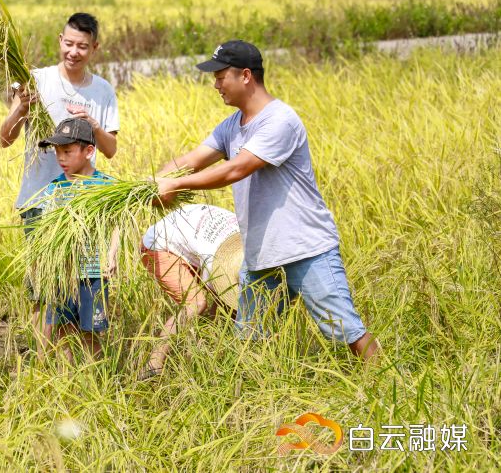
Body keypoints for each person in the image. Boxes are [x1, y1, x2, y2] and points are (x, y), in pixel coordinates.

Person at [155, 40, 379, 361]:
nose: (216, 84)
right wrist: (150, 185)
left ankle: (384, 392)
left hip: (306, 249)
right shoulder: (231, 126)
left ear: (245, 76)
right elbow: (193, 159)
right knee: (250, 346)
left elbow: (236, 169)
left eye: (221, 76)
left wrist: (175, 184)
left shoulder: (280, 120)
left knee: (347, 332)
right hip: (261, 257)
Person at [0, 13, 120, 350]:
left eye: (82, 46)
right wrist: (19, 109)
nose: (74, 51)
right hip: (40, 201)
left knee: (85, 284)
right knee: (43, 290)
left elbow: (109, 150)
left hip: (83, 203)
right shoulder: (35, 80)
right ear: (59, 40)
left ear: (95, 47)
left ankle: (86, 365)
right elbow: (4, 139)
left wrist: (95, 126)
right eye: (68, 43)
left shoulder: (102, 91)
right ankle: (43, 364)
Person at [34, 118, 117, 362]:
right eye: (58, 152)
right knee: (63, 332)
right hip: (62, 274)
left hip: (92, 272)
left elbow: (115, 225)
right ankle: (66, 382)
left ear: (89, 151)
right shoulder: (54, 188)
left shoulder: (104, 185)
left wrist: (112, 254)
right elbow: (47, 230)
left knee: (91, 332)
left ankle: (97, 378)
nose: (61, 158)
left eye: (68, 152)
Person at [139, 204, 243, 379]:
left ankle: (208, 354)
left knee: (227, 311)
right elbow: (224, 300)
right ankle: (153, 364)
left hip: (193, 238)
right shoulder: (215, 263)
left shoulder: (250, 243)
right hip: (160, 244)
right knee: (196, 303)